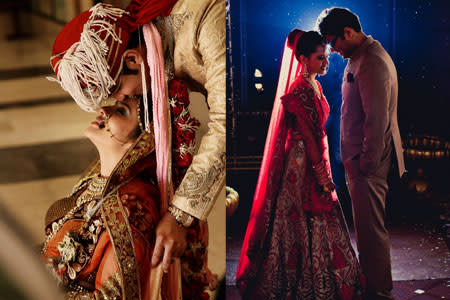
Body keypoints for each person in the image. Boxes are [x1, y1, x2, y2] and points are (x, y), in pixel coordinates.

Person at [48, 0, 224, 285]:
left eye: (117, 90)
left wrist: (180, 215)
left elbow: (227, 122)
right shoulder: (157, 35)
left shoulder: (203, 23)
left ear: (133, 59)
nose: (120, 99)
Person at [42, 85, 211, 299]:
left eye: (121, 111)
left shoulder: (131, 212)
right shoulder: (97, 182)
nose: (105, 110)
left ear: (143, 143)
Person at [236, 30, 365, 300]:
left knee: (316, 218)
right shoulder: (300, 91)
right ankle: (305, 283)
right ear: (304, 59)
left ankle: (322, 279)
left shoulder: (313, 85)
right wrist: (321, 174)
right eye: (320, 58)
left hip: (312, 155)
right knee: (305, 216)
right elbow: (308, 134)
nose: (326, 63)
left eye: (326, 57)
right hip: (301, 162)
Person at [317, 7, 406, 300]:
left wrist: (365, 163)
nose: (333, 50)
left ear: (349, 32)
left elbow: (376, 120)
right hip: (360, 163)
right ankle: (373, 287)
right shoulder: (361, 57)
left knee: (371, 231)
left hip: (367, 164)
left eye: (334, 42)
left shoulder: (371, 62)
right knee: (366, 231)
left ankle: (379, 293)